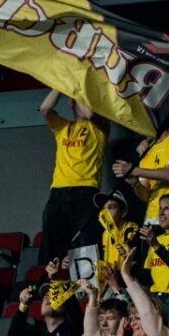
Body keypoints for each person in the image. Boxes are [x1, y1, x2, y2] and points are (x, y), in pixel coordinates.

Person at [38, 91, 107, 259]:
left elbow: (90, 114)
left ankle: (85, 277)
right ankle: (53, 276)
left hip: (86, 191)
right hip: (59, 192)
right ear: (70, 102)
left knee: (86, 248)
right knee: (52, 247)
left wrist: (77, 90)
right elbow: (45, 108)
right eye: (80, 99)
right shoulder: (63, 126)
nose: (84, 102)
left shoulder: (99, 127)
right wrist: (61, 85)